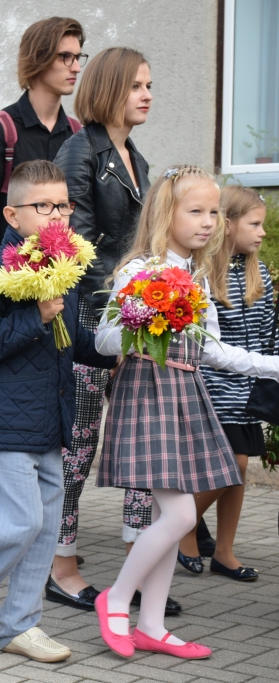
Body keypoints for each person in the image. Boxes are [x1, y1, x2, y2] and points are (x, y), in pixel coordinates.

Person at [0, 161, 116, 662]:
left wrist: (121, 348)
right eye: (43, 206)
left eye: (63, 205)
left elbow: (75, 342)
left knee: (45, 529)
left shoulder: (66, 269)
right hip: (3, 423)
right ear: (13, 214)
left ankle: (20, 623)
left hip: (49, 422)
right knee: (17, 524)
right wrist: (36, 316)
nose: (56, 215)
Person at [93, 166, 279, 660]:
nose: (208, 222)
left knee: (165, 513)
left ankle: (151, 624)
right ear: (164, 214)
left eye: (214, 212)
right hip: (148, 392)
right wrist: (146, 317)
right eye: (196, 211)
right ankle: (116, 599)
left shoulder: (198, 276)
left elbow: (215, 350)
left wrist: (275, 366)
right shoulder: (139, 270)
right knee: (178, 514)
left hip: (184, 394)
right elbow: (103, 338)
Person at [0, 16, 86, 528]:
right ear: (38, 61)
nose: (75, 66)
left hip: (60, 282)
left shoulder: (77, 134)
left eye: (79, 57)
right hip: (7, 282)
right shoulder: (0, 131)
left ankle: (5, 505)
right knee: (2, 386)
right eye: (64, 57)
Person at [47, 47, 154, 611]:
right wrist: (111, 322)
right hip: (93, 319)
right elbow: (79, 246)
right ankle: (59, 565)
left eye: (149, 85)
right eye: (136, 84)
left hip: (132, 316)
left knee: (139, 443)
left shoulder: (134, 154)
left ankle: (139, 571)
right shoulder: (79, 150)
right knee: (79, 447)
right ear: (110, 87)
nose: (146, 94)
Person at [178, 186, 270, 581]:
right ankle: (180, 533)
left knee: (240, 470)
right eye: (255, 224)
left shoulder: (259, 272)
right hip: (215, 385)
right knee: (233, 463)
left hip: (251, 384)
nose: (262, 232)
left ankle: (225, 551)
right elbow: (206, 344)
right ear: (228, 225)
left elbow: (270, 333)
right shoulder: (201, 274)